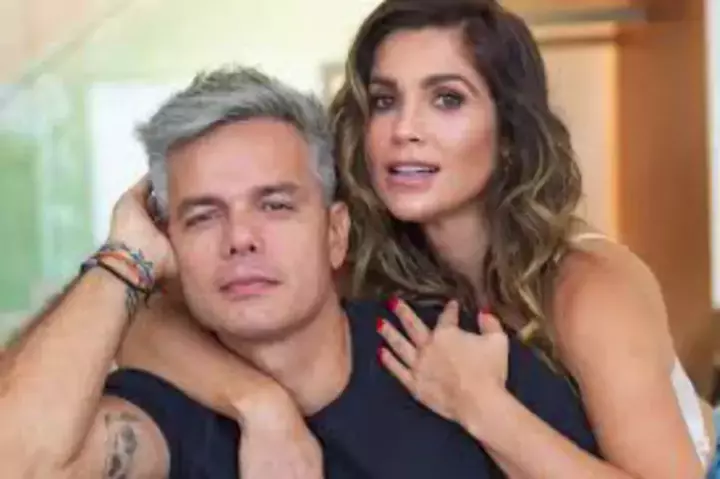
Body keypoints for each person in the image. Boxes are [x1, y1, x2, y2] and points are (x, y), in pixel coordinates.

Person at [116, 0, 715, 478]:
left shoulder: (587, 288)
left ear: (508, 133)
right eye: (385, 101)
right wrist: (259, 405)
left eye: (446, 99)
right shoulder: (353, 261)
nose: (405, 129)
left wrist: (480, 407)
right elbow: (141, 323)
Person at [0, 66, 600, 479]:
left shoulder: (457, 354)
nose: (240, 238)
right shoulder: (165, 409)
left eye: (275, 205)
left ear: (335, 233)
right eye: (203, 216)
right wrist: (122, 261)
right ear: (169, 244)